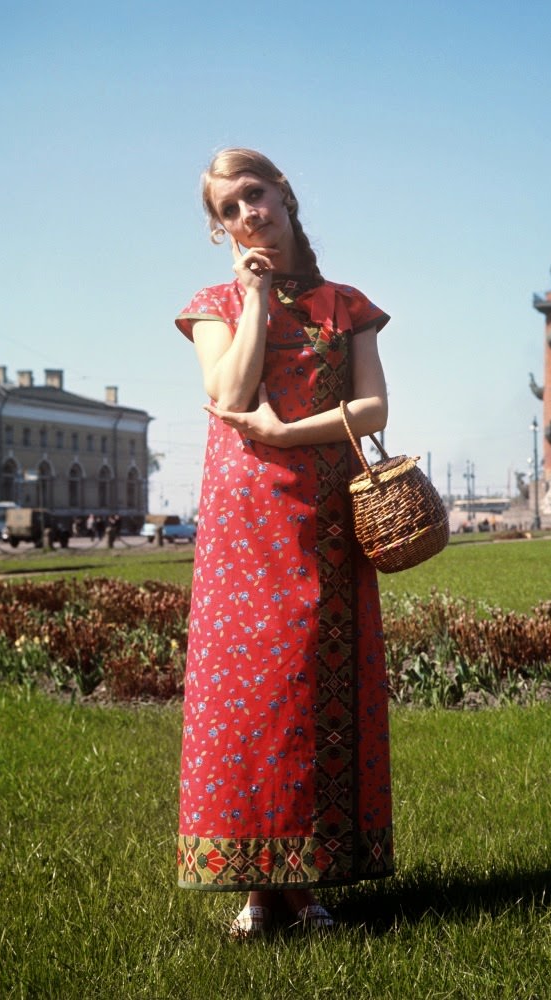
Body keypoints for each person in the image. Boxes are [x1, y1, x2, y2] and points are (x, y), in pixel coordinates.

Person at [174, 148, 394, 938]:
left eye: (256, 195)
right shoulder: (213, 304)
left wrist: (292, 430)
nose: (248, 215)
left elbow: (374, 408)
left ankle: (303, 882)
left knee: (311, 689)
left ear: (286, 195)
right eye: (229, 209)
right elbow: (228, 395)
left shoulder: (347, 304)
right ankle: (258, 888)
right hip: (244, 527)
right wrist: (255, 295)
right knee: (248, 699)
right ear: (219, 230)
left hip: (327, 516)